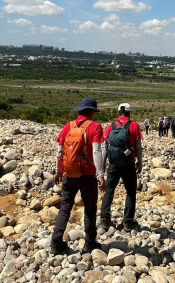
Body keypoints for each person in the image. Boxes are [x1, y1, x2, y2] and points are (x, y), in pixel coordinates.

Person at [51, 98, 105, 255]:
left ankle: (56, 242)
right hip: (87, 175)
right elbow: (96, 151)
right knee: (90, 208)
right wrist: (100, 174)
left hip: (69, 173)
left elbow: (60, 150)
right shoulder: (95, 127)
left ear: (79, 111)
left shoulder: (68, 126)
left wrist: (58, 171)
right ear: (91, 112)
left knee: (65, 207)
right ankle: (90, 242)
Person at [100, 103, 143, 232]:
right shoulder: (134, 125)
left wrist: (102, 168)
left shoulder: (110, 127)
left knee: (109, 190)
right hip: (128, 163)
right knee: (130, 192)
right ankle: (128, 221)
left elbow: (105, 148)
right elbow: (138, 145)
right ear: (129, 113)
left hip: (113, 164)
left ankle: (104, 220)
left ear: (118, 112)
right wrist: (139, 162)